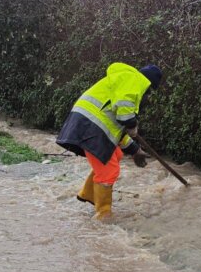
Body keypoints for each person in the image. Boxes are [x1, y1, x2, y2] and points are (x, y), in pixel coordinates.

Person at [56, 62, 163, 219]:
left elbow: (115, 130)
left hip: (87, 123)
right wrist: (132, 123)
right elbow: (124, 112)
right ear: (149, 83)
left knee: (117, 155)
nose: (147, 95)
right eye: (149, 91)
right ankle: (103, 215)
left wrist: (134, 150)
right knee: (109, 171)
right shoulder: (135, 79)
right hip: (90, 126)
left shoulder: (124, 80)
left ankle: (89, 194)